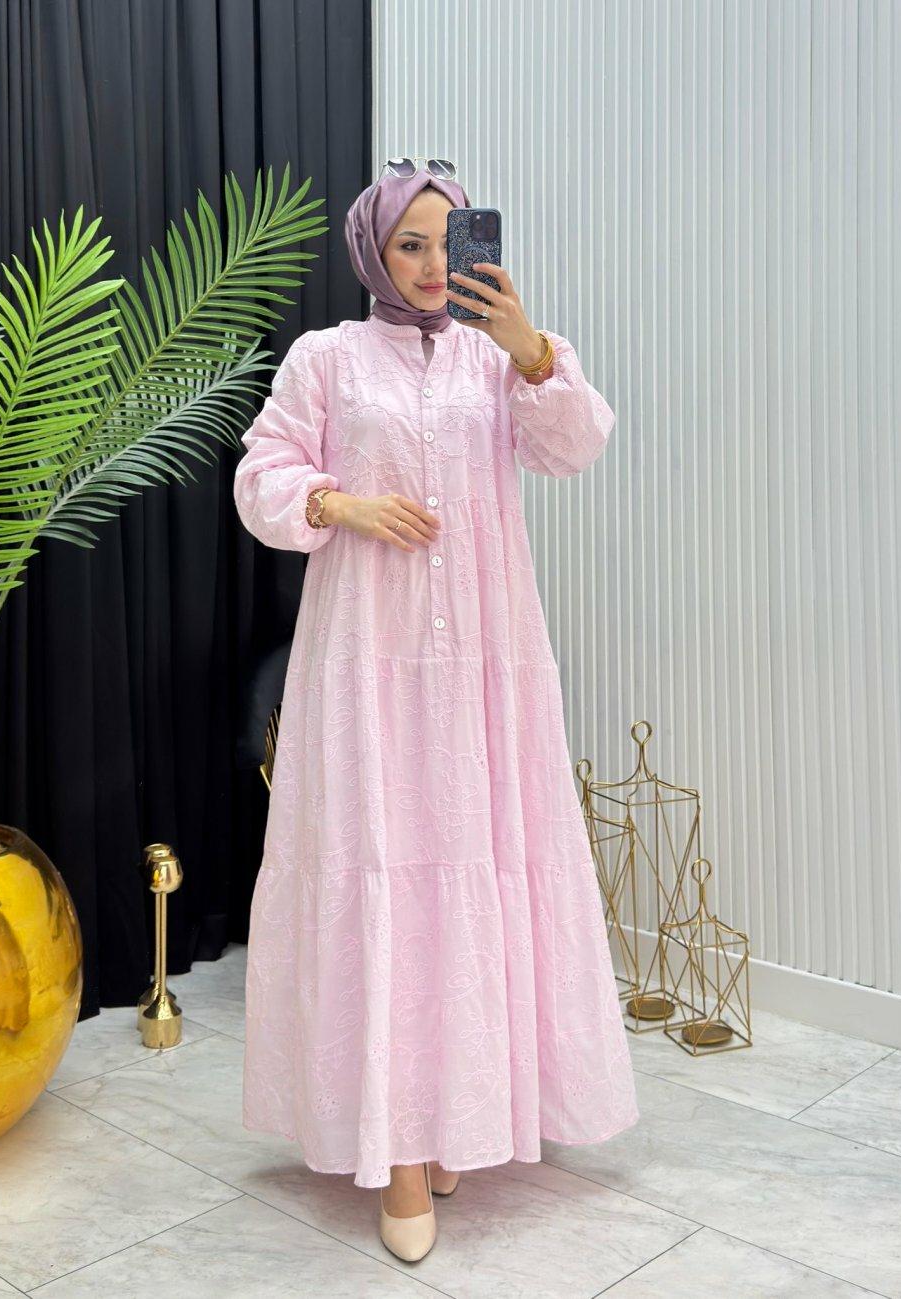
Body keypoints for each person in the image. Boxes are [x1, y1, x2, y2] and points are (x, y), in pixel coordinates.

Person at [233, 160, 639, 1263]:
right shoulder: (326, 358)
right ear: (373, 251)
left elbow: (575, 446)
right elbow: (261, 477)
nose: (425, 265)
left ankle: (458, 1112)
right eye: (406, 244)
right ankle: (401, 1148)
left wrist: (529, 347)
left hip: (484, 670)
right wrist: (342, 503)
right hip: (366, 667)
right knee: (382, 874)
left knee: (476, 869)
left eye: (442, 243)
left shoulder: (498, 356)